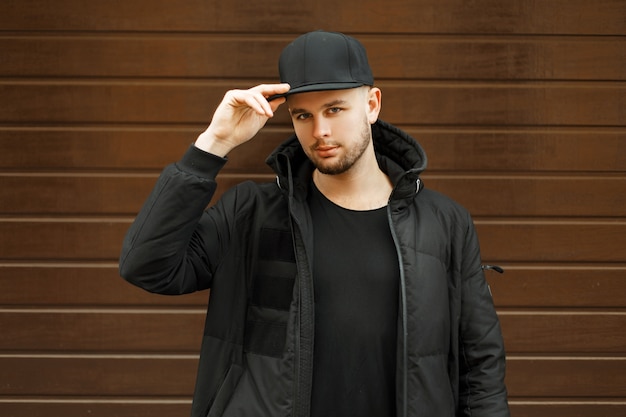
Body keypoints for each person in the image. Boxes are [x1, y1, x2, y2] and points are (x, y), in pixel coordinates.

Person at [119, 30, 510, 417]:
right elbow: (147, 266)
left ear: (372, 105)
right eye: (302, 115)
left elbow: (480, 361)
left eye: (335, 109)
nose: (319, 131)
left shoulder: (443, 221)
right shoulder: (251, 212)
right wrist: (214, 143)